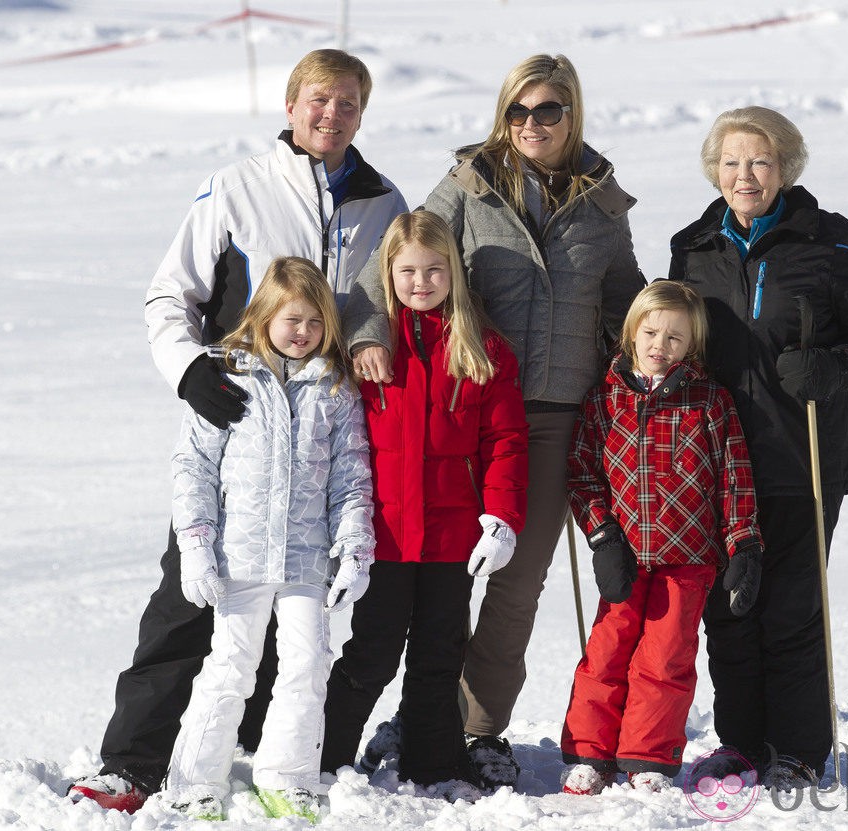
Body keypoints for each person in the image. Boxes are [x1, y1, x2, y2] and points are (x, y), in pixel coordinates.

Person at [68, 49, 406, 813]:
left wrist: (372, 339)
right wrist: (190, 370)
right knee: (190, 600)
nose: (332, 114)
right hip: (239, 427)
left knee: (299, 632)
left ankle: (261, 756)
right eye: (319, 99)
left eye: (349, 103)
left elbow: (388, 300)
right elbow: (170, 293)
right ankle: (133, 758)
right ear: (290, 105)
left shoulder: (383, 201)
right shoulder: (237, 187)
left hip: (324, 429)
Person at [343, 54, 645, 789]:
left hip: (546, 418)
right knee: (425, 581)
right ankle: (414, 718)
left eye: (547, 110)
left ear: (572, 113)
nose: (532, 124)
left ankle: (474, 726)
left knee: (513, 580)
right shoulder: (467, 188)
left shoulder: (603, 205)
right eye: (518, 111)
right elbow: (393, 266)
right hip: (454, 408)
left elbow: (627, 307)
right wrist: (367, 334)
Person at [668, 106, 848, 791]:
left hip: (806, 455)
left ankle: (798, 748)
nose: (746, 175)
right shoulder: (693, 246)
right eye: (733, 162)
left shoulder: (827, 241)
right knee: (731, 611)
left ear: (786, 168)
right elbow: (669, 335)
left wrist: (833, 367)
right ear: (715, 168)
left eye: (761, 161)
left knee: (792, 607)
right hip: (717, 463)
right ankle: (742, 744)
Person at [156, 258, 374, 822]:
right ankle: (194, 779)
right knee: (231, 664)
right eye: (292, 320)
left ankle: (287, 775)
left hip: (306, 559)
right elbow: (194, 469)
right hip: (240, 555)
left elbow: (352, 476)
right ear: (263, 316)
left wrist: (354, 549)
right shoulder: (227, 375)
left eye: (315, 322)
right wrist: (196, 546)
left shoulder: (334, 387)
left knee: (306, 666)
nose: (303, 333)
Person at [321, 211, 529, 800]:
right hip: (382, 537)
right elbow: (337, 445)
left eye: (434, 269)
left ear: (454, 273)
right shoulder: (367, 350)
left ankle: (433, 760)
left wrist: (502, 520)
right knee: (372, 653)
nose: (420, 281)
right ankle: (325, 753)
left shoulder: (481, 348)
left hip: (451, 539)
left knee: (440, 656)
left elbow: (507, 442)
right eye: (407, 270)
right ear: (387, 273)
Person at [558, 281, 763, 796]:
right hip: (624, 556)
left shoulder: (711, 401)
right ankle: (590, 752)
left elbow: (735, 479)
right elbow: (582, 473)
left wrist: (744, 544)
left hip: (688, 559)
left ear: (691, 344)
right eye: (651, 332)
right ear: (631, 332)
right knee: (606, 652)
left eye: (675, 338)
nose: (660, 346)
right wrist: (602, 536)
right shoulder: (605, 398)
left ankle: (647, 755)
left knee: (666, 659)